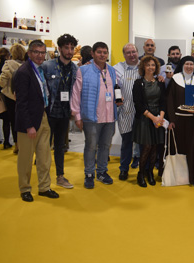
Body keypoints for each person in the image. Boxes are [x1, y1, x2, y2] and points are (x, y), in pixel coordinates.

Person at [13, 40, 59, 202]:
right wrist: (28, 125)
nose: (40, 56)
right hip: (29, 123)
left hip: (43, 117)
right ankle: (25, 189)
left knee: (44, 156)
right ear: (29, 53)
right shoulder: (24, 72)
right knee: (25, 158)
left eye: (42, 52)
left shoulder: (40, 70)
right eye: (36, 52)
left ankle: (44, 187)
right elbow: (21, 102)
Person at [71, 42, 118, 189]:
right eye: (99, 52)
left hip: (109, 116)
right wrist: (77, 116)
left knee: (105, 146)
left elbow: (116, 89)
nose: (102, 55)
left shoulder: (111, 70)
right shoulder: (83, 70)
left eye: (105, 52)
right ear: (92, 53)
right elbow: (76, 94)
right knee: (91, 146)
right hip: (92, 117)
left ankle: (102, 172)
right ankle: (89, 174)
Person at [41, 33, 79, 189]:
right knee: (43, 148)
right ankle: (43, 179)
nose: (69, 51)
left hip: (64, 114)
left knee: (60, 147)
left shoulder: (75, 69)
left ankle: (60, 176)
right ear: (59, 48)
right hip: (48, 113)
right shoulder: (47, 66)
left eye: (72, 48)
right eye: (66, 48)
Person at [166, 56, 194, 187]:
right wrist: (171, 120)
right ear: (182, 65)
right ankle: (178, 177)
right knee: (178, 148)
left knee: (193, 149)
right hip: (177, 120)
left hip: (193, 121)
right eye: (187, 64)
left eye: (192, 64)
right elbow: (170, 100)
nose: (189, 66)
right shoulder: (175, 79)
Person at [132, 55, 166, 187]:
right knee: (147, 147)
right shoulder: (138, 83)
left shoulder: (160, 82)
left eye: (153, 65)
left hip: (158, 117)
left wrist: (161, 117)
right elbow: (138, 104)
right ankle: (141, 173)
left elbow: (164, 101)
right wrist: (153, 118)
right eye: (148, 65)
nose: (151, 67)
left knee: (155, 148)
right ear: (143, 67)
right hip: (145, 119)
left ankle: (150, 172)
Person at [113, 43, 140, 181]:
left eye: (133, 52)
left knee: (143, 142)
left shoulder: (144, 66)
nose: (132, 55)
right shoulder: (117, 68)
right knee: (127, 143)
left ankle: (143, 169)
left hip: (142, 112)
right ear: (124, 55)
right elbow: (111, 86)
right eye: (128, 52)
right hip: (126, 111)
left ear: (137, 52)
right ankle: (124, 169)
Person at [0, 44, 26, 154]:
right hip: (23, 97)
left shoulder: (8, 65)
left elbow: (1, 82)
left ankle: (16, 144)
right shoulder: (26, 65)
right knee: (23, 120)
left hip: (10, 97)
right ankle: (23, 143)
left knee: (13, 121)